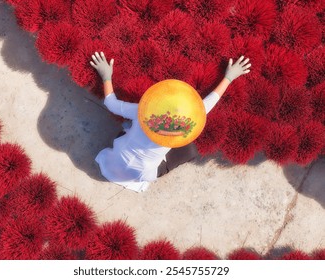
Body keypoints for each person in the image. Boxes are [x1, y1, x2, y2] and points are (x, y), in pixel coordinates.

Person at [90, 52, 251, 192]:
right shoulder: (190, 121)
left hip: (114, 160)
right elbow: (208, 103)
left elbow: (111, 103)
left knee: (128, 133)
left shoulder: (140, 111)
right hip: (142, 174)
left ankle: (129, 131)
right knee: (190, 151)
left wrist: (106, 76)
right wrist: (229, 77)